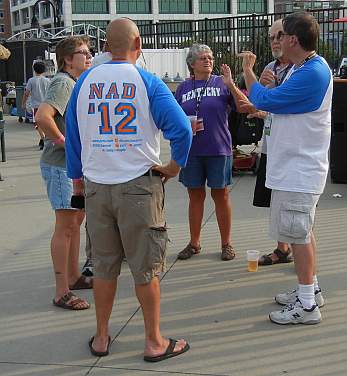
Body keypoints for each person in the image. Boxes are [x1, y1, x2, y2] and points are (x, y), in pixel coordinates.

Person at [65, 18, 192, 361]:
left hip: (97, 188)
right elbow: (182, 129)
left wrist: (78, 179)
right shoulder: (147, 81)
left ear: (106, 46)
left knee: (104, 266)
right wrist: (173, 167)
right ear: (137, 45)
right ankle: (153, 341)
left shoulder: (84, 82)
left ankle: (102, 336)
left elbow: (73, 138)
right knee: (145, 267)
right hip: (138, 186)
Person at [239, 11, 331, 325]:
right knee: (301, 233)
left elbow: (265, 98)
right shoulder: (299, 69)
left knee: (299, 236)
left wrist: (248, 72)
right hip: (294, 169)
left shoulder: (312, 73)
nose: (276, 41)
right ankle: (311, 290)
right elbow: (271, 103)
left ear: (293, 39)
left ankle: (306, 306)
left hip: (300, 171)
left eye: (280, 36)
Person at [175, 43, 252, 261]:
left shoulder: (221, 83)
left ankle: (226, 243)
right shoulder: (183, 87)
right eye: (202, 58)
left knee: (221, 194)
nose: (208, 60)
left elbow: (243, 106)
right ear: (191, 64)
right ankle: (194, 243)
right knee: (195, 195)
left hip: (218, 148)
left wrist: (232, 85)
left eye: (210, 57)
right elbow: (173, 114)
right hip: (192, 150)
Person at [35, 36, 93, 310]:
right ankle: (62, 291)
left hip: (71, 167)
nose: (89, 55)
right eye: (82, 52)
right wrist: (62, 142)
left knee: (74, 223)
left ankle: (74, 276)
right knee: (65, 225)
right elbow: (42, 117)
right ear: (68, 59)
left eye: (89, 51)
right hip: (60, 166)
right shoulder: (63, 82)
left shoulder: (74, 83)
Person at [252, 19, 293, 266]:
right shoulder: (270, 67)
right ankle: (282, 249)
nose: (275, 41)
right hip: (271, 143)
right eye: (271, 37)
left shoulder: (301, 70)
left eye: (280, 35)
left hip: (290, 149)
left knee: (295, 206)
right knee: (275, 201)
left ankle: (298, 253)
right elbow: (262, 102)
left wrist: (268, 89)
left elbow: (283, 102)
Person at [22, 61, 50, 150]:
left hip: (36, 106)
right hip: (46, 105)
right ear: (44, 70)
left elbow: (26, 93)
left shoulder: (31, 80)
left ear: (34, 70)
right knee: (46, 123)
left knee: (37, 124)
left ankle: (43, 138)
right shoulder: (47, 80)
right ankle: (45, 139)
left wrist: (23, 103)